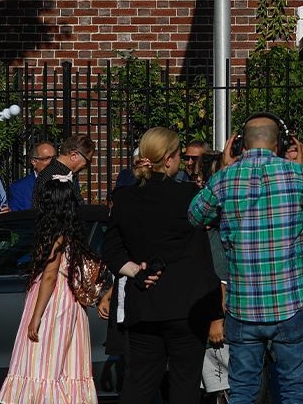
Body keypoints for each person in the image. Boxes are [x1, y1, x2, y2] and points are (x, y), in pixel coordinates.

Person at [187, 115, 303, 404]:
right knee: (293, 392)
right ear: (279, 144)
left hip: (242, 305)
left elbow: (195, 216)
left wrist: (222, 171)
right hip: (291, 302)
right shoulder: (296, 175)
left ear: (240, 145)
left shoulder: (225, 178)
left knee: (243, 392)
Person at [102, 128, 222, 404]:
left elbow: (111, 249)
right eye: (179, 155)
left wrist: (136, 271)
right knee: (184, 383)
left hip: (145, 302)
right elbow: (204, 253)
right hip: (186, 305)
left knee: (139, 383)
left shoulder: (124, 197)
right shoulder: (188, 195)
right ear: (168, 159)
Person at [0, 173, 99, 404]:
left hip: (53, 303)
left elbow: (50, 276)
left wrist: (36, 317)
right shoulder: (73, 233)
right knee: (67, 364)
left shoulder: (54, 236)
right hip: (70, 302)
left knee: (42, 363)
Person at [6, 141, 55, 212]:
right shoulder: (19, 188)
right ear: (34, 162)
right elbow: (17, 217)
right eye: (47, 158)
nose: (52, 162)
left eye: (54, 158)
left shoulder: (65, 182)